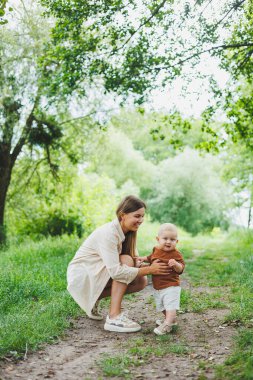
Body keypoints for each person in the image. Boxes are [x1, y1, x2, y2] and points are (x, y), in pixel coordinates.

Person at [67, 195, 170, 333]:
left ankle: (94, 299)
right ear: (123, 215)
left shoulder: (128, 233)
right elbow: (116, 271)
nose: (140, 220)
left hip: (96, 273)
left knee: (141, 281)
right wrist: (150, 269)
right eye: (137, 216)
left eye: (142, 216)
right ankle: (114, 317)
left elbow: (135, 265)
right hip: (82, 276)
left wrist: (154, 265)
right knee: (126, 261)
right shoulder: (109, 233)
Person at [136, 223, 185, 335]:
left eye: (172, 239)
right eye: (165, 238)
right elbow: (151, 258)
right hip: (158, 287)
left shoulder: (176, 254)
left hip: (171, 286)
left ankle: (167, 325)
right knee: (162, 306)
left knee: (170, 306)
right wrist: (143, 259)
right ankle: (171, 320)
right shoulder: (156, 250)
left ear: (176, 242)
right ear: (158, 239)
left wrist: (176, 264)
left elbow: (181, 268)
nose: (168, 242)